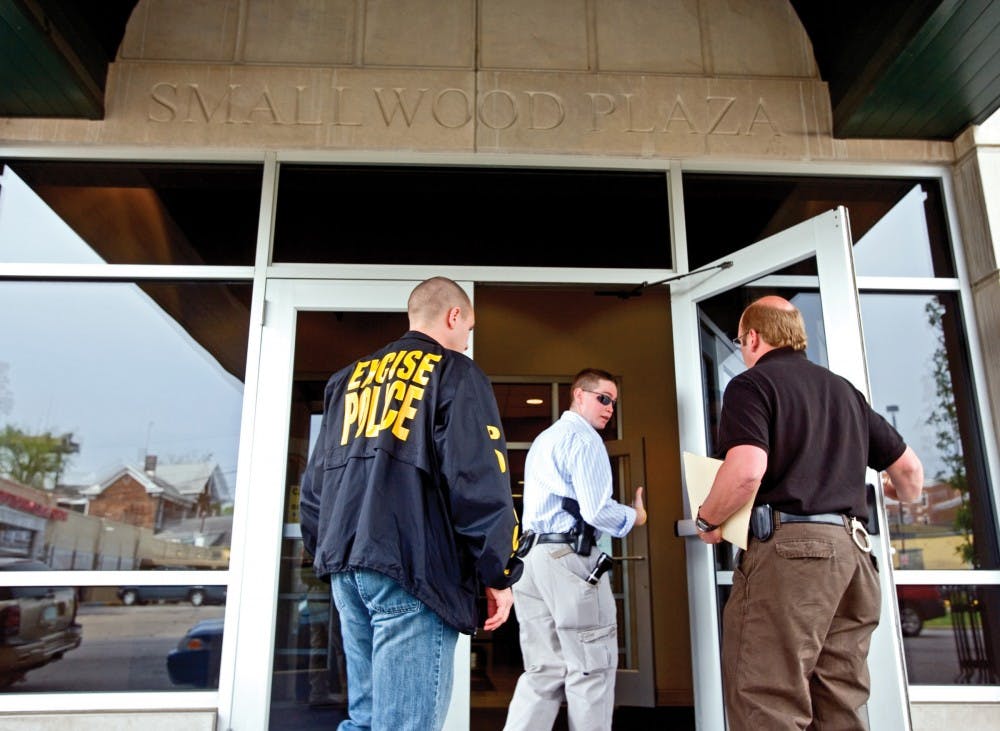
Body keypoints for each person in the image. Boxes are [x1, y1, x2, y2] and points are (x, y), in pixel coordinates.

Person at [299, 276, 523, 731]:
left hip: (348, 571)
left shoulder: (347, 381)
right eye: (468, 328)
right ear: (453, 316)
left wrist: (326, 555)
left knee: (366, 720)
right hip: (413, 570)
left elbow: (315, 488)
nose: (466, 340)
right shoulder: (455, 373)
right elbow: (477, 480)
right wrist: (498, 572)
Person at [695, 295, 924, 730]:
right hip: (853, 557)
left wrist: (708, 518)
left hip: (791, 556)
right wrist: (898, 493)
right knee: (837, 697)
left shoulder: (752, 385)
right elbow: (910, 472)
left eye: (741, 341)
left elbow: (746, 472)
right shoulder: (844, 391)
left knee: (766, 696)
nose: (743, 350)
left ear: (754, 337)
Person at [504, 368, 647, 731]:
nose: (610, 407)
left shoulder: (545, 439)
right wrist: (636, 515)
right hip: (567, 561)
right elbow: (596, 510)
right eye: (603, 398)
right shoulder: (584, 440)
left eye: (614, 402)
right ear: (579, 395)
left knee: (542, 672)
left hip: (531, 562)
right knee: (591, 671)